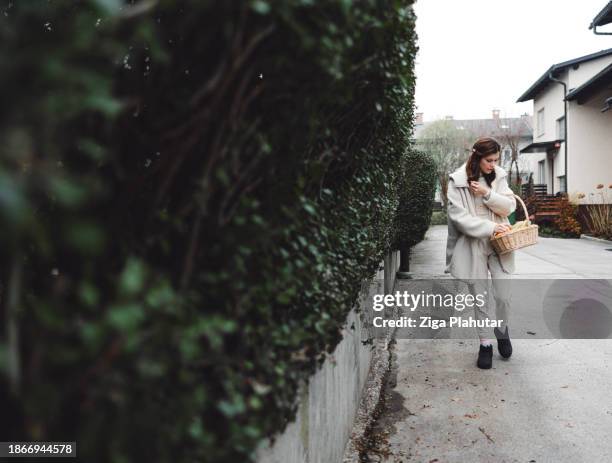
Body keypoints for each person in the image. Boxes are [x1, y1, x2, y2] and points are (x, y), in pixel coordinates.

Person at [445, 137, 516, 369]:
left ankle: (502, 330)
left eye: (496, 160)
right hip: (474, 244)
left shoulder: (499, 176)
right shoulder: (457, 181)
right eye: (489, 160)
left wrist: (487, 193)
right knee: (480, 297)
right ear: (477, 156)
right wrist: (491, 226)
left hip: (500, 243)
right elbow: (460, 219)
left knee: (503, 295)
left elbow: (509, 206)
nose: (492, 165)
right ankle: (485, 343)